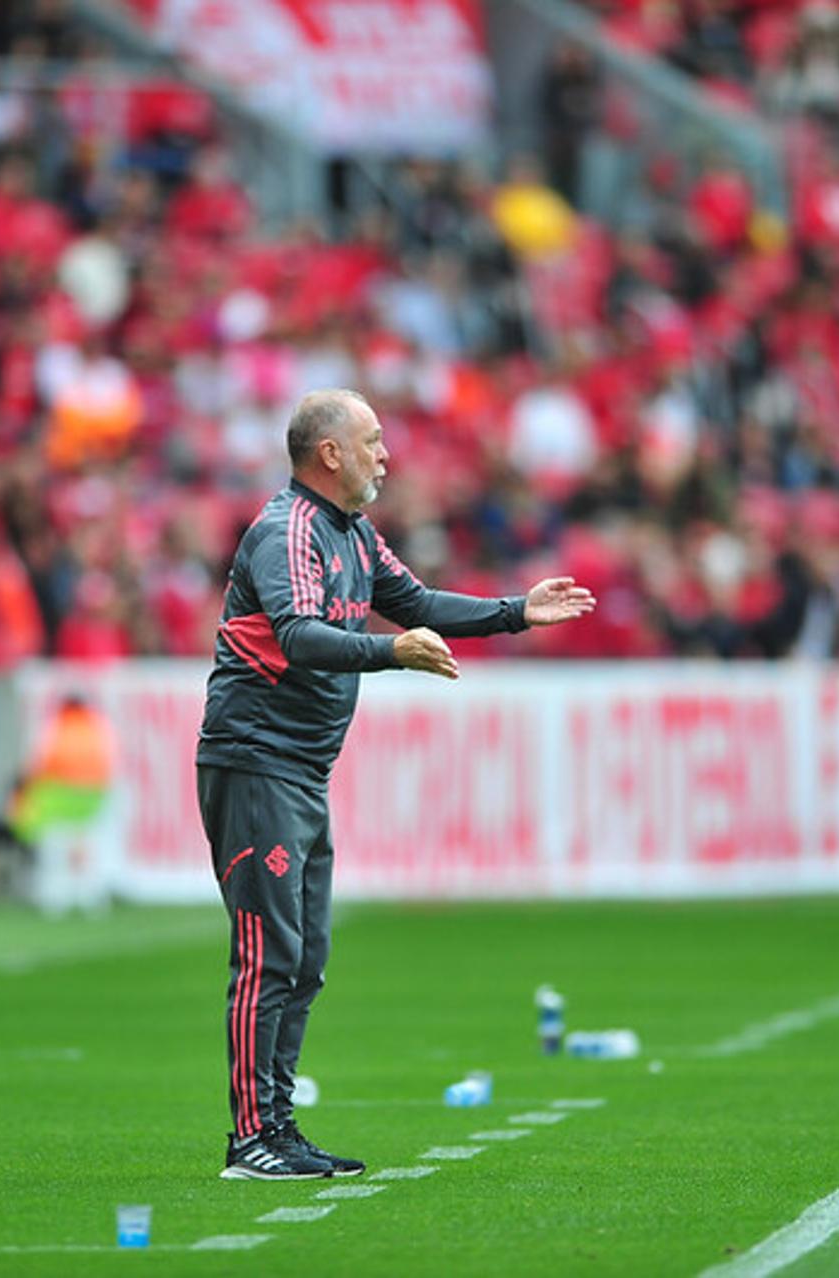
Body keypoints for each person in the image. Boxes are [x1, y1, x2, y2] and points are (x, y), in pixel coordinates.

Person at [197, 389, 596, 1180]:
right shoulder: (288, 531)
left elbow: (414, 604)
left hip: (302, 770)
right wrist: (390, 654)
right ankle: (251, 1140)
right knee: (268, 952)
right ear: (330, 454)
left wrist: (516, 611)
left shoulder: (350, 532)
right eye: (373, 441)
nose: (386, 455)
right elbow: (302, 637)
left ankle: (278, 1127)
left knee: (305, 958)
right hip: (256, 760)